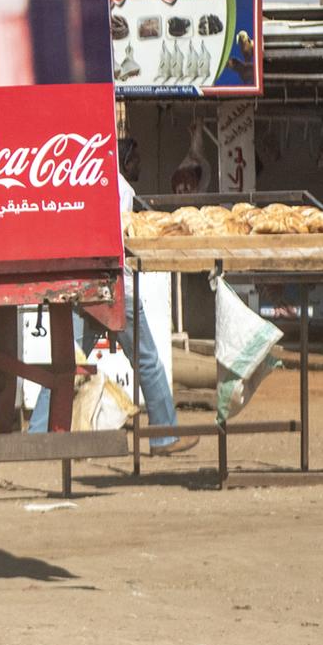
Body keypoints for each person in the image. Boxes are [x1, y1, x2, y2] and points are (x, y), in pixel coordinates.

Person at [29, 138, 190, 453]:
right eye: (136, 160)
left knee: (64, 364)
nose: (139, 166)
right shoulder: (121, 188)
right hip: (115, 289)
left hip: (77, 286)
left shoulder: (77, 183)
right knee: (147, 361)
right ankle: (164, 436)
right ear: (125, 160)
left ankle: (36, 435)